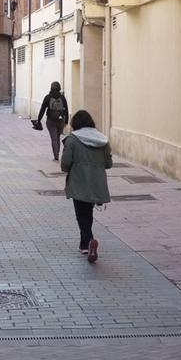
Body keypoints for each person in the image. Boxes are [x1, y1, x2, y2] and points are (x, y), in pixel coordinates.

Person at [60, 110, 111, 263]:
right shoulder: (102, 140)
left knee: (81, 214)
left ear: (75, 124)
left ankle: (89, 240)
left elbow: (65, 164)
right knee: (87, 213)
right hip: (96, 182)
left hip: (79, 181)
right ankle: (84, 244)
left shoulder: (72, 140)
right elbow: (108, 164)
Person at [36, 82, 70, 161]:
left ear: (51, 88)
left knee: (53, 138)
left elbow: (42, 109)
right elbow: (66, 109)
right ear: (59, 88)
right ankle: (57, 153)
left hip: (50, 121)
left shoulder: (48, 97)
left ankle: (56, 155)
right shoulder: (62, 98)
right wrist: (66, 121)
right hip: (60, 120)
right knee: (57, 137)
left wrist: (39, 120)